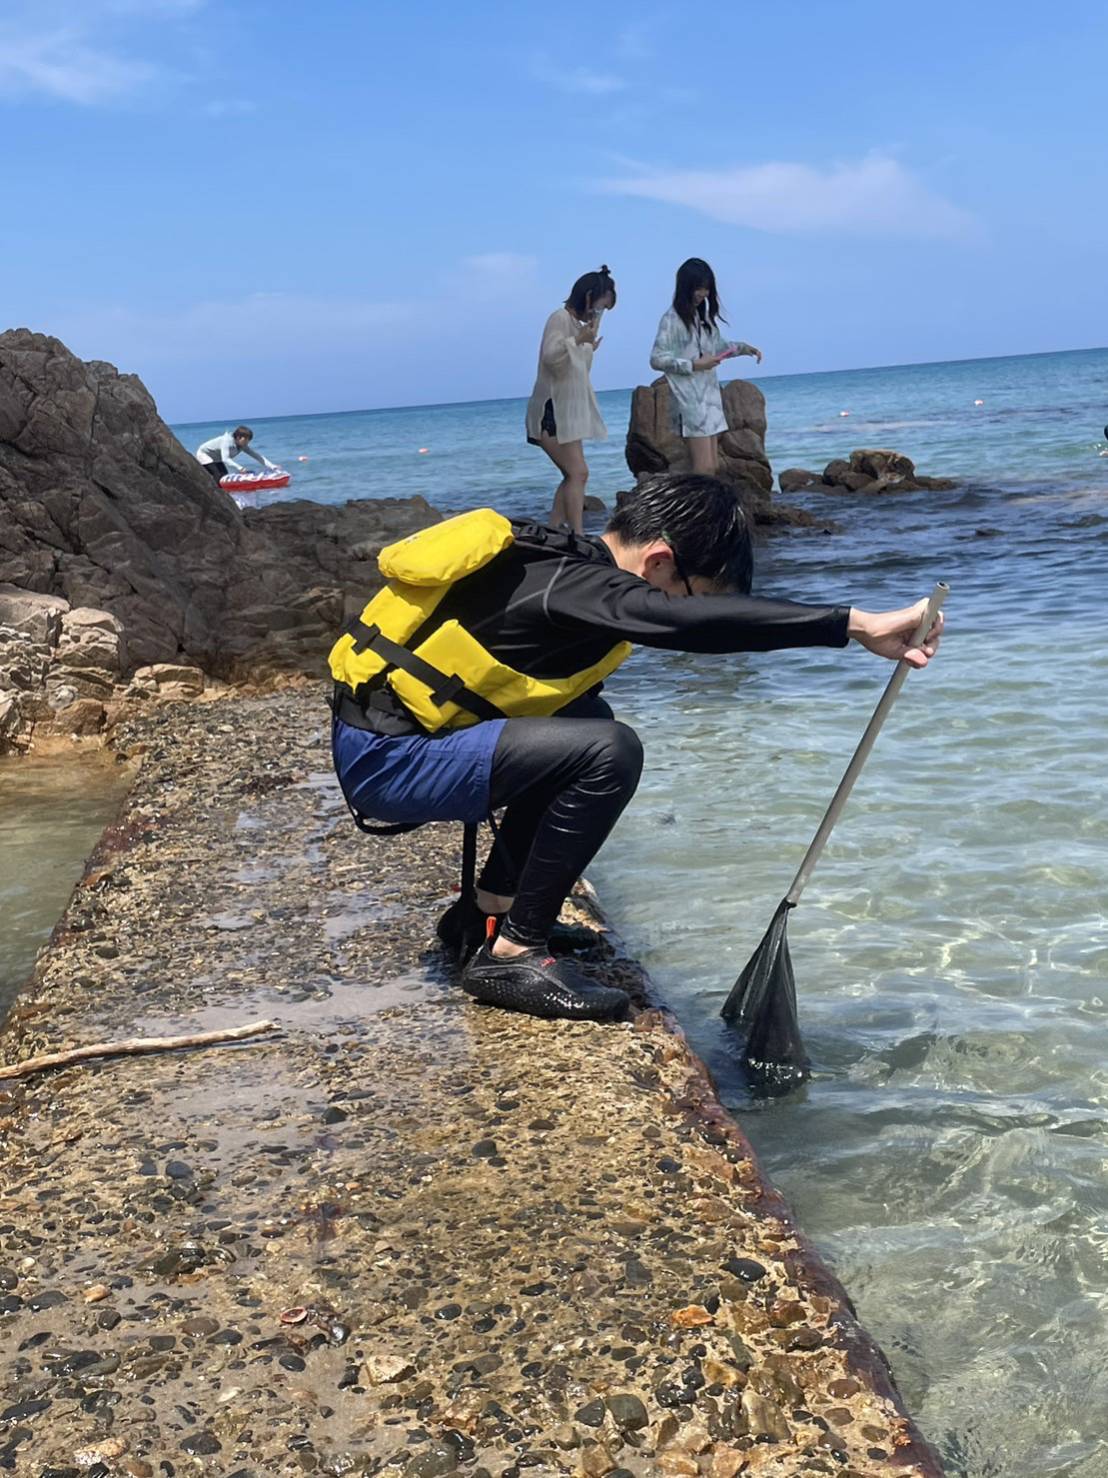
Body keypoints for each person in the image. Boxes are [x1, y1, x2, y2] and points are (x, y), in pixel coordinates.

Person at [327, 473, 943, 1025]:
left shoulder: (559, 563)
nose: (679, 609)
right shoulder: (577, 584)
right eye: (690, 593)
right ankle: (514, 955)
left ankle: (487, 916)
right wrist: (855, 623)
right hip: (392, 762)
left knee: (586, 715)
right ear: (658, 562)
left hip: (392, 739)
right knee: (608, 750)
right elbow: (693, 629)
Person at [525, 266, 616, 536]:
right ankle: (577, 533)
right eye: (600, 307)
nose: (599, 314)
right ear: (588, 297)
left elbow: (579, 369)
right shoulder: (560, 318)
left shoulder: (579, 327)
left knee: (572, 474)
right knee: (578, 473)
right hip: (549, 410)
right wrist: (578, 340)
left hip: (568, 413)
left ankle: (554, 528)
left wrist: (587, 342)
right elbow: (550, 357)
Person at [650, 258, 762, 475]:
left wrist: (744, 349)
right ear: (686, 287)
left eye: (706, 288)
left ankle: (705, 506)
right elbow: (656, 359)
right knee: (704, 467)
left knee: (713, 466)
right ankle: (700, 508)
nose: (703, 293)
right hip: (689, 400)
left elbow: (719, 347)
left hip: (709, 398)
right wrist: (693, 364)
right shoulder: (672, 320)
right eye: (698, 288)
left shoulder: (704, 318)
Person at [195, 426, 276, 483]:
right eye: (245, 439)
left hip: (216, 458)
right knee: (218, 475)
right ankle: (214, 494)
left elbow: (257, 456)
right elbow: (225, 459)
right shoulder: (226, 441)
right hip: (204, 454)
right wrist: (240, 468)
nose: (247, 442)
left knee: (224, 476)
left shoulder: (242, 445)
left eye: (249, 440)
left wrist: (272, 466)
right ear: (238, 437)